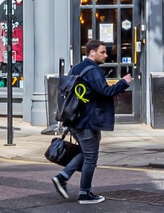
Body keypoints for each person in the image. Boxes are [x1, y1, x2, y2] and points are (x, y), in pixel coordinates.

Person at [52, 41, 132, 204]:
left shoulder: (76, 68)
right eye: (103, 52)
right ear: (92, 53)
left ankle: (63, 177)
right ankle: (84, 193)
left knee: (86, 153)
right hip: (87, 120)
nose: (106, 55)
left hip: (75, 118)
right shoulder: (93, 70)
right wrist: (123, 82)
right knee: (90, 157)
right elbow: (105, 91)